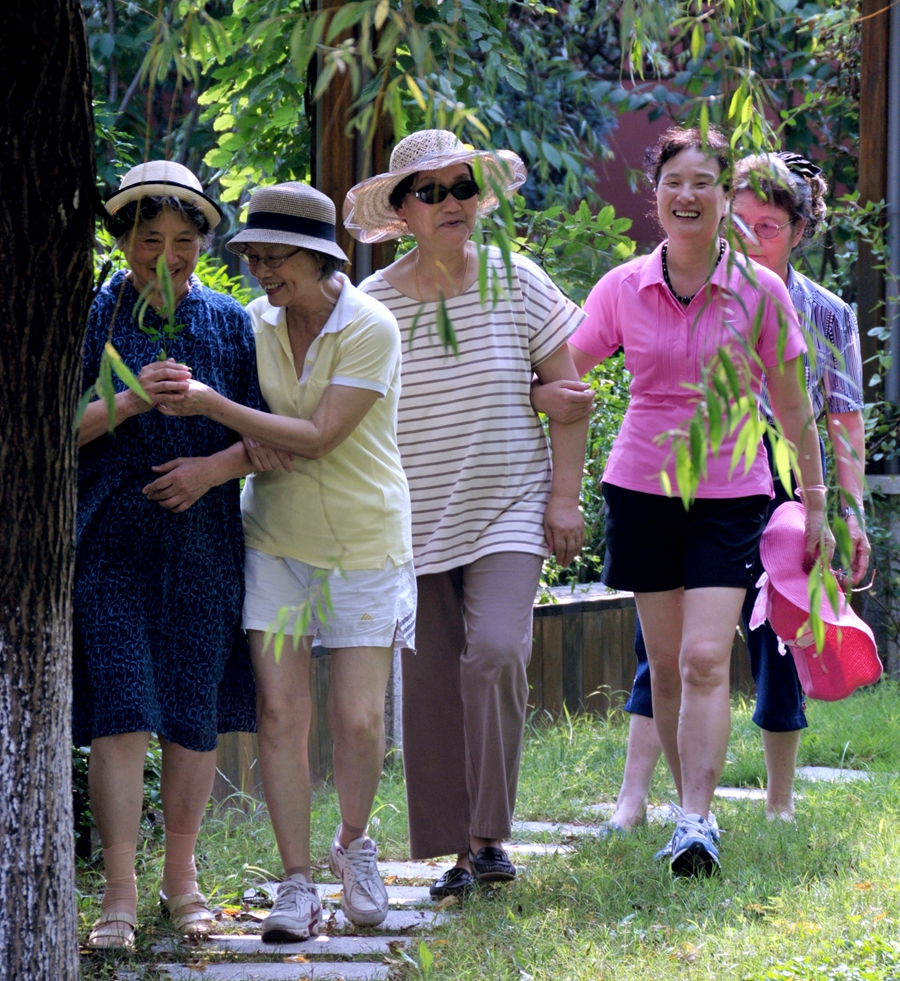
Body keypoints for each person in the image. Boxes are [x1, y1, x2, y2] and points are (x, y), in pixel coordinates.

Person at [539, 150, 870, 834]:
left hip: (732, 494)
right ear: (655, 193)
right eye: (672, 182)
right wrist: (533, 394)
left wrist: (817, 507)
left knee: (702, 656)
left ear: (724, 198)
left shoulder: (761, 292)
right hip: (640, 489)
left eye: (703, 183)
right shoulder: (623, 287)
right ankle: (678, 811)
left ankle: (697, 817)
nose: (686, 195)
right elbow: (565, 370)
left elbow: (797, 411)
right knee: (662, 663)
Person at [159, 181, 415, 940]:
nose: (263, 273)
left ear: (317, 257)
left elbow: (317, 434)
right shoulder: (253, 325)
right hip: (275, 538)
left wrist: (218, 409)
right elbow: (271, 436)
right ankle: (297, 881)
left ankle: (354, 845)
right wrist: (236, 451)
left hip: (365, 543)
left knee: (360, 718)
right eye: (255, 259)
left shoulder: (370, 326)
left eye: (277, 260)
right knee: (280, 713)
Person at [342, 129, 589, 898]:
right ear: (403, 212)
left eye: (462, 187)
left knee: (495, 652)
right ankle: (456, 853)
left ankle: (489, 837)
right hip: (410, 520)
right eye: (431, 191)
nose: (451, 202)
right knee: (431, 685)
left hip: (508, 507)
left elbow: (571, 398)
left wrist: (564, 498)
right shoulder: (374, 304)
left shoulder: (516, 280)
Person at [75, 161, 266, 948]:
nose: (166, 255)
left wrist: (207, 471)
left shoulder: (228, 321)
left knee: (192, 717)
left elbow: (265, 436)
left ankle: (180, 883)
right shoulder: (98, 313)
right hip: (111, 542)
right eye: (148, 239)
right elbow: (58, 428)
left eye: (183, 240)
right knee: (121, 714)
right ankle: (118, 893)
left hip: (204, 544)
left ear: (202, 244)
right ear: (122, 243)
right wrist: (128, 398)